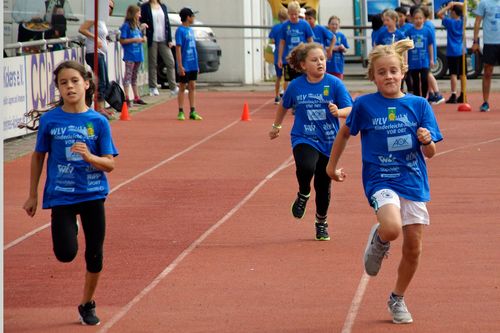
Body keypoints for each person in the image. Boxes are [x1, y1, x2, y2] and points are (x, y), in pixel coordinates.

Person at [326, 39, 443, 324]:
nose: (388, 76)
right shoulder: (364, 105)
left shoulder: (419, 105)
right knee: (391, 228)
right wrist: (331, 167)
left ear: (403, 72)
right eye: (381, 72)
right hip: (381, 178)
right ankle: (379, 240)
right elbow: (344, 134)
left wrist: (426, 141)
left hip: (412, 180)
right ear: (373, 76)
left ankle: (397, 298)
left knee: (414, 248)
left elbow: (431, 151)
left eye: (393, 71)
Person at [22, 60, 118, 326]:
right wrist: (32, 194)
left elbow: (110, 164)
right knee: (65, 254)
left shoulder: (98, 122)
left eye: (75, 81)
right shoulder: (51, 120)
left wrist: (90, 157)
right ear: (59, 88)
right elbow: (38, 156)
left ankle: (87, 303)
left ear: (86, 84)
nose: (70, 86)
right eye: (64, 83)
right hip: (61, 195)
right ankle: (71, 224)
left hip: (92, 194)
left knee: (95, 254)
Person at [269, 42, 353, 241]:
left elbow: (350, 108)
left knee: (323, 186)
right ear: (303, 65)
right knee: (306, 167)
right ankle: (303, 193)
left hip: (328, 140)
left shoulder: (334, 84)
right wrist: (277, 126)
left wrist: (338, 112)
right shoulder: (296, 86)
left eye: (322, 59)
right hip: (303, 136)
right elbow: (283, 105)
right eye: (314, 60)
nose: (320, 63)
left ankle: (321, 222)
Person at [78, 0, 114, 118]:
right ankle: (99, 108)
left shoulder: (102, 20)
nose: (109, 9)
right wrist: (95, 38)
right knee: (101, 81)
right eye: (108, 6)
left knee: (104, 81)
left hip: (101, 52)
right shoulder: (94, 17)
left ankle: (101, 107)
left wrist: (104, 40)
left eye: (111, 7)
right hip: (93, 52)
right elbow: (82, 29)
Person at [140, 0, 178, 96]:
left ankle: (173, 87)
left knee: (170, 62)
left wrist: (169, 39)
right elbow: (142, 21)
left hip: (163, 38)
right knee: (153, 63)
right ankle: (153, 87)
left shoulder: (163, 6)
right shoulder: (145, 7)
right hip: (151, 38)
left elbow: (167, 23)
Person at [277, 1, 314, 91]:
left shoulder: (304, 25)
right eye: (291, 14)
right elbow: (282, 43)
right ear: (288, 13)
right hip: (288, 58)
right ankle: (286, 98)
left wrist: (311, 54)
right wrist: (279, 58)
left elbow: (310, 41)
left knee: (303, 78)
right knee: (287, 79)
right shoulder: (285, 26)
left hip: (301, 57)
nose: (293, 16)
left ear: (298, 13)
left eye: (295, 14)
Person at [175, 7, 203, 121]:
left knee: (192, 86)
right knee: (182, 86)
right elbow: (178, 48)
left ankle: (193, 110)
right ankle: (181, 111)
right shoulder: (180, 31)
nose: (194, 18)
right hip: (185, 63)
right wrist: (180, 65)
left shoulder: (191, 30)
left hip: (192, 64)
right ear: (188, 17)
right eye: (192, 16)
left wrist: (197, 65)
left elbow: (194, 48)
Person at [472, 0, 500, 112]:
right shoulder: (484, 3)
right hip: (490, 43)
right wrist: (475, 41)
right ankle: (485, 102)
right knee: (487, 72)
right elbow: (477, 22)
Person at [437, 1, 465, 104]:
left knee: (453, 73)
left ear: (453, 12)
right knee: (462, 74)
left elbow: (439, 14)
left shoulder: (450, 22)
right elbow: (466, 6)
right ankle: (463, 93)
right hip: (462, 50)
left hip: (452, 51)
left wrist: (449, 5)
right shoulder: (463, 21)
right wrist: (457, 3)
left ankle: (453, 94)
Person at [119, 4, 148, 107]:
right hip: (130, 54)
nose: (139, 15)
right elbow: (122, 40)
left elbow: (142, 38)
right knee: (128, 75)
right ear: (133, 14)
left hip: (138, 54)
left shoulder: (137, 26)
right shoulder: (126, 26)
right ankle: (126, 97)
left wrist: (143, 35)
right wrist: (135, 40)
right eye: (138, 13)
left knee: (134, 76)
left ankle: (136, 96)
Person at [405, 7, 434, 98]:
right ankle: (418, 98)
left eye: (420, 18)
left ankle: (425, 97)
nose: (418, 20)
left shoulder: (427, 31)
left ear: (424, 19)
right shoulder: (409, 31)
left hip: (424, 60)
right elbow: (405, 46)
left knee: (425, 80)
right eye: (416, 18)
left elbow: (430, 45)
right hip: (413, 61)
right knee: (415, 81)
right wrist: (405, 61)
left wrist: (431, 59)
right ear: (413, 19)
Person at [269, 8, 289, 104]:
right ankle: (285, 96)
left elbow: (272, 40)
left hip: (278, 56)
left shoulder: (275, 28)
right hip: (287, 56)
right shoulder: (288, 27)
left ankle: (276, 96)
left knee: (278, 77)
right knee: (287, 77)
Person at [326, 15, 350, 79]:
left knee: (337, 85)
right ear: (328, 25)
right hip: (327, 66)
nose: (334, 26)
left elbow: (346, 50)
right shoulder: (325, 35)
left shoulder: (341, 36)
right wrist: (333, 48)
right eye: (332, 24)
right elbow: (321, 48)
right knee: (326, 86)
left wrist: (343, 48)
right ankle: (326, 90)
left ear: (339, 25)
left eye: (336, 24)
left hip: (338, 66)